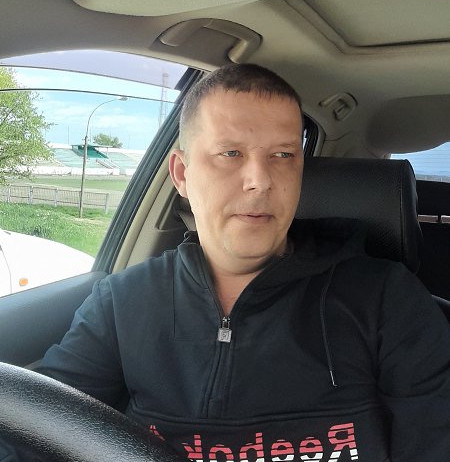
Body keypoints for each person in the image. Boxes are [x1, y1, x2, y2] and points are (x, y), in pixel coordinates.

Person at [2, 63, 450, 461]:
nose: (260, 181)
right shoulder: (122, 303)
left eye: (283, 155)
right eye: (231, 153)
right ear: (182, 174)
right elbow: (39, 431)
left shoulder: (388, 299)